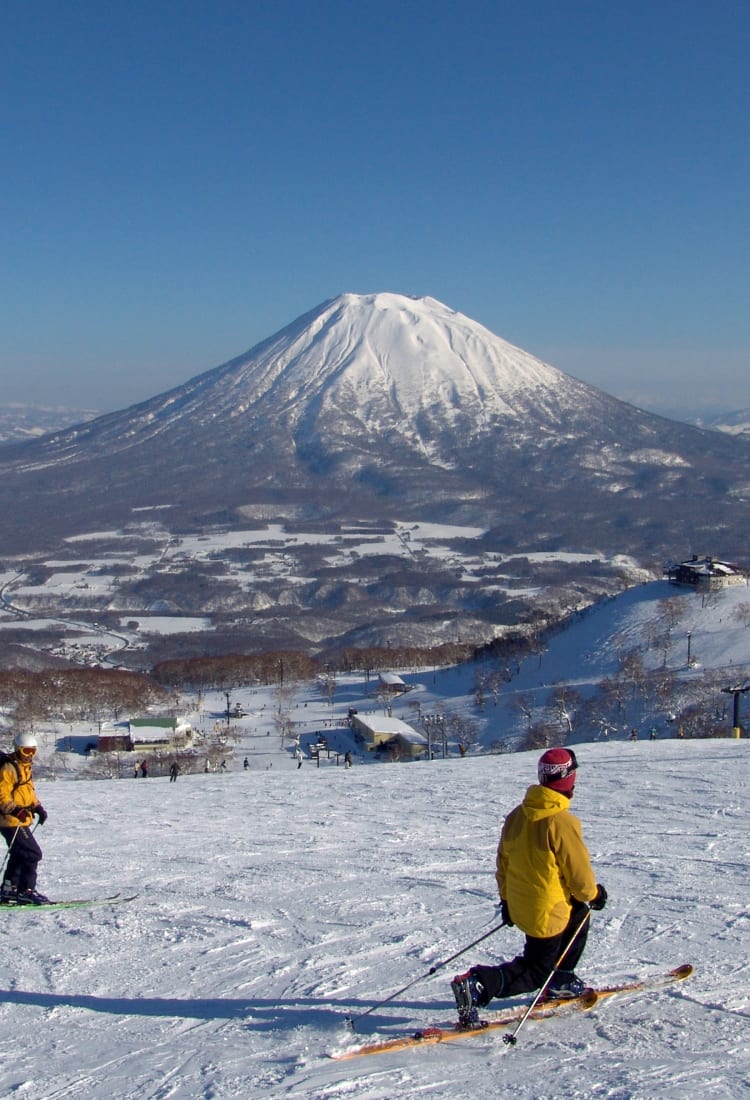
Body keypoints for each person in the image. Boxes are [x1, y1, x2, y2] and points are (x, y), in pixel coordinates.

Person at [451, 747, 607, 1027]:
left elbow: (504, 864)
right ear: (568, 779)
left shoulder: (517, 816)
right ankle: (479, 984)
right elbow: (580, 877)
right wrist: (595, 894)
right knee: (536, 971)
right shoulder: (560, 822)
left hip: (521, 904)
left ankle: (562, 979)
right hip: (546, 912)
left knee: (579, 914)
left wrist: (507, 901)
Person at [0, 732, 50, 905]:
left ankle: (9, 890)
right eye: (26, 751)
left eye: (32, 751)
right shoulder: (8, 768)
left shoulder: (24, 767)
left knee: (20, 853)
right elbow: (2, 796)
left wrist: (37, 807)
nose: (29, 755)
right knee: (32, 853)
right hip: (9, 820)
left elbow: (27, 792)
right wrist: (15, 811)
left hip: (18, 819)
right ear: (17, 749)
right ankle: (25, 891)